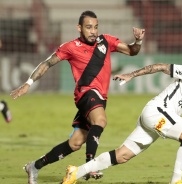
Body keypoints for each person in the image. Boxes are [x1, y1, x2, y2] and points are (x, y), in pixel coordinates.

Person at [60, 58, 182, 184]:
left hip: (158, 122)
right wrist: (131, 75)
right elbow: (160, 67)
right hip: (156, 112)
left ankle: (75, 173)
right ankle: (177, 181)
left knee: (122, 156)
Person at [10, 10, 145, 184]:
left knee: (75, 143)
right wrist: (28, 83)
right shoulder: (70, 47)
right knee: (101, 121)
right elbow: (47, 63)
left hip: (99, 98)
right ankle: (90, 164)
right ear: (79, 28)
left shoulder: (106, 41)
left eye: (96, 27)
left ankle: (34, 166)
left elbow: (133, 51)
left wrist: (138, 40)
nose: (93, 31)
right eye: (89, 27)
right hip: (85, 94)